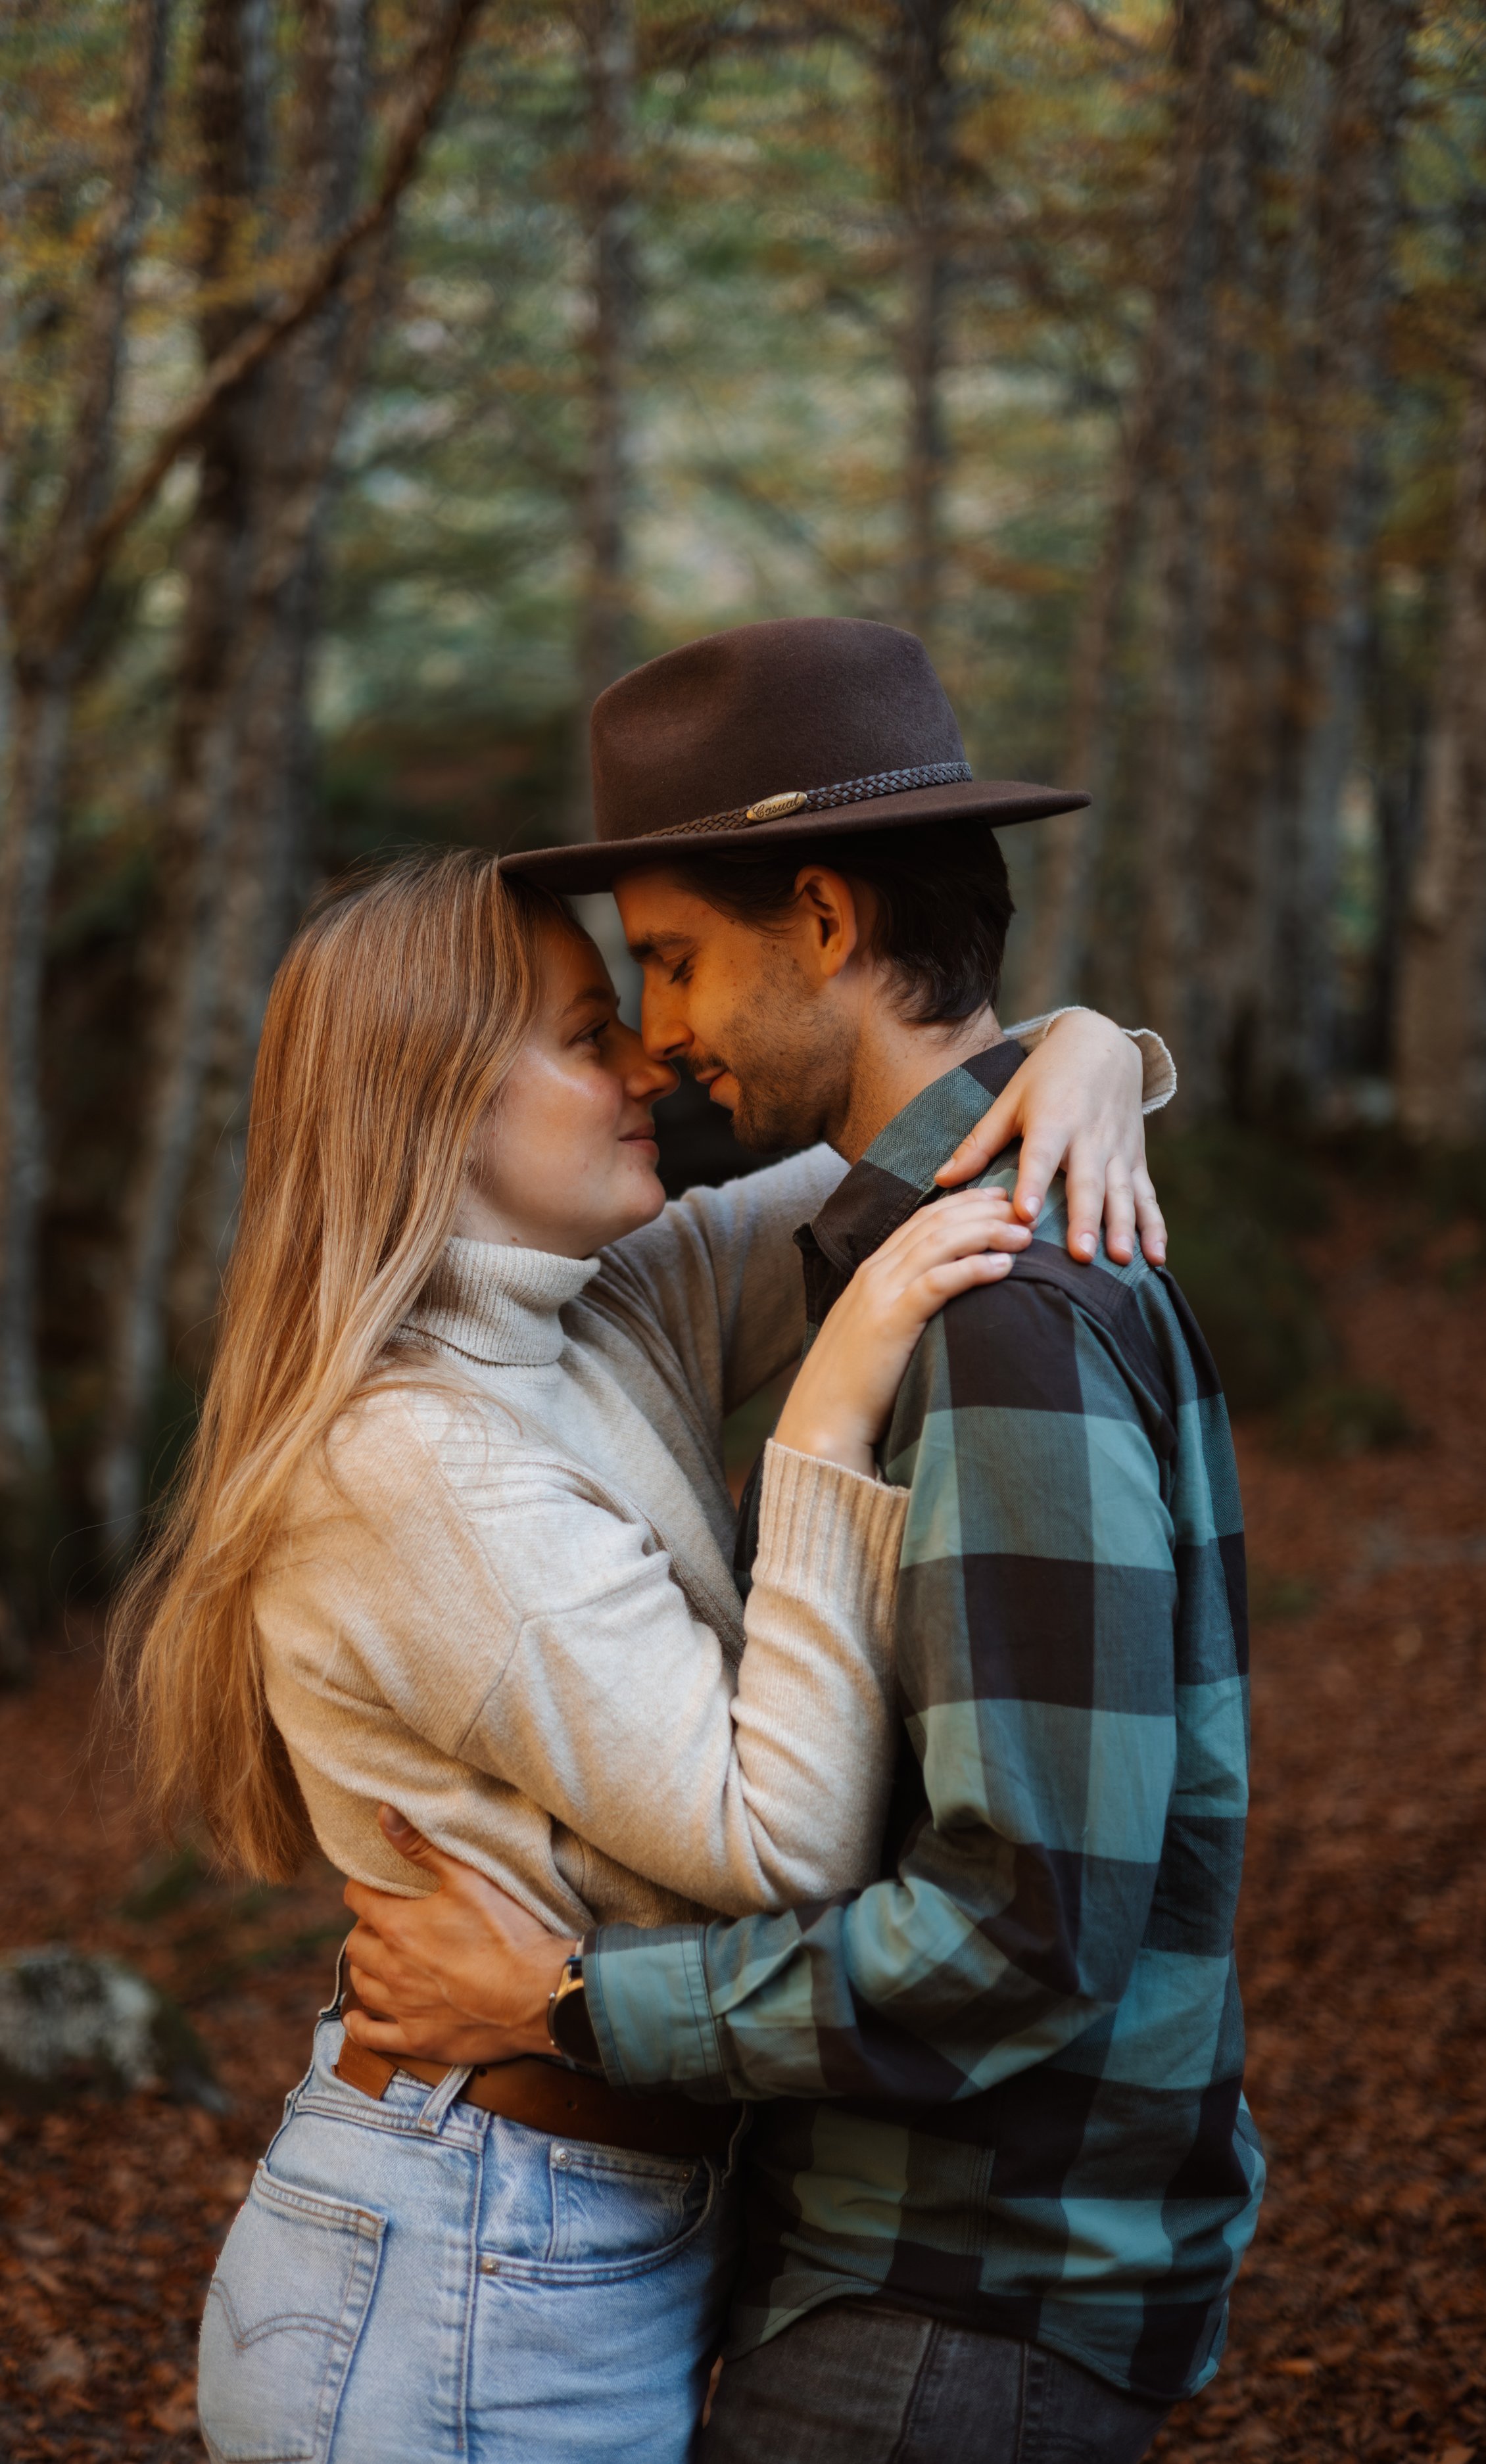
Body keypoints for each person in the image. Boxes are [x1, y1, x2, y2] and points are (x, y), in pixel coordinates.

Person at [116, 744, 1168, 2461]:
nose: (649, 1056)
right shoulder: (409, 1460)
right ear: (431, 1095)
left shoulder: (605, 1302)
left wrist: (1092, 1050)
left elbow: (925, 1145)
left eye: (636, 1004)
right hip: (462, 2248)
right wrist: (824, 1418)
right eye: (580, 1028)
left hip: (570, 2229)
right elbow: (774, 1843)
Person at [339, 617, 1264, 2464]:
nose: (660, 1035)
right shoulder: (925, 1235)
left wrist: (574, 2002)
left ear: (826, 923)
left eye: (669, 962)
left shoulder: (984, 1300)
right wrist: (1093, 1040)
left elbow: (1025, 1925)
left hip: (949, 2293)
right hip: (943, 2272)